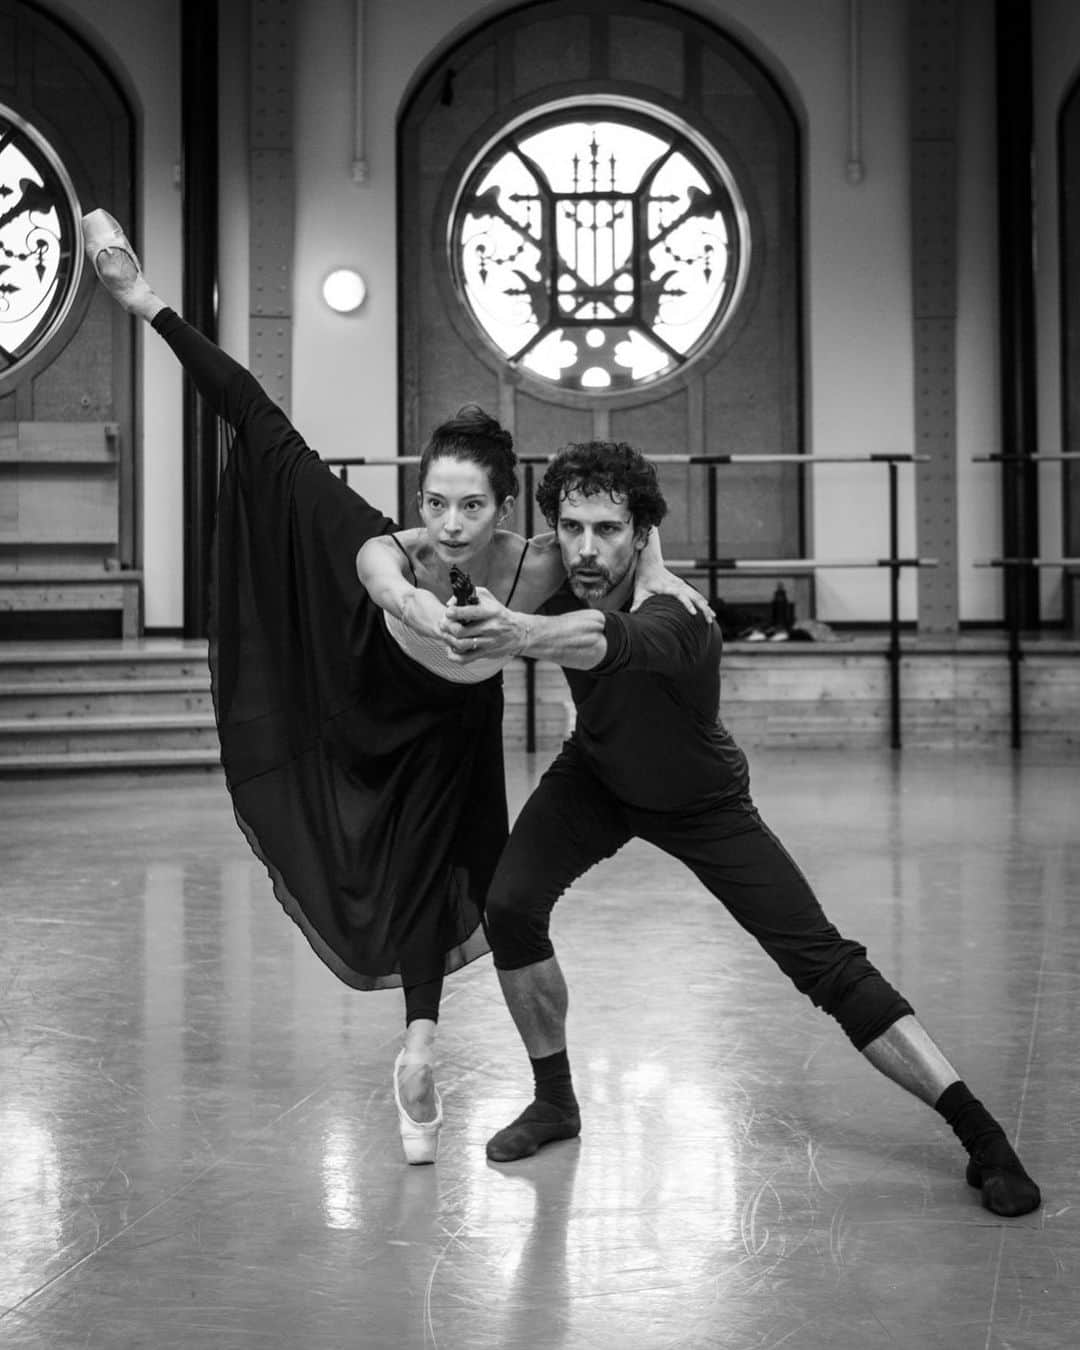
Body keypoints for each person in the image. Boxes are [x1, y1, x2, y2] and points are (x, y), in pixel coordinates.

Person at [80, 209, 708, 1166]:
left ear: (506, 508)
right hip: (368, 710)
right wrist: (143, 302)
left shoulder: (541, 560)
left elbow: (617, 501)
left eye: (468, 507)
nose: (448, 526)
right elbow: (255, 414)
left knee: (470, 883)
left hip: (460, 729)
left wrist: (658, 572)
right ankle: (445, 1061)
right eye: (434, 502)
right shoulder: (389, 549)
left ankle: (421, 1050)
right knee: (416, 868)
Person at [444, 439, 1042, 1218]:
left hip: (702, 801)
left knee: (824, 964)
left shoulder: (681, 616)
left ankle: (983, 1135)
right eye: (572, 527)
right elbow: (468, 544)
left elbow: (603, 640)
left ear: (642, 532)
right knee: (511, 905)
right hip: (594, 778)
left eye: (611, 530)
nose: (588, 548)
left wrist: (519, 631)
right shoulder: (555, 572)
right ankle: (555, 1101)